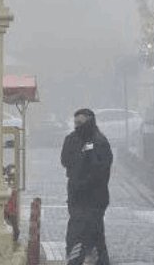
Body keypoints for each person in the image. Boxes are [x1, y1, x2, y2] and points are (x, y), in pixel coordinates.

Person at [61, 108, 112, 265]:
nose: (77, 126)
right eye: (75, 123)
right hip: (76, 197)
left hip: (94, 198)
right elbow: (65, 160)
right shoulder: (72, 139)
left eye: (81, 123)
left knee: (83, 235)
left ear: (90, 122)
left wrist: (84, 177)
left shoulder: (99, 142)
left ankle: (79, 261)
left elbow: (101, 170)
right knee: (87, 234)